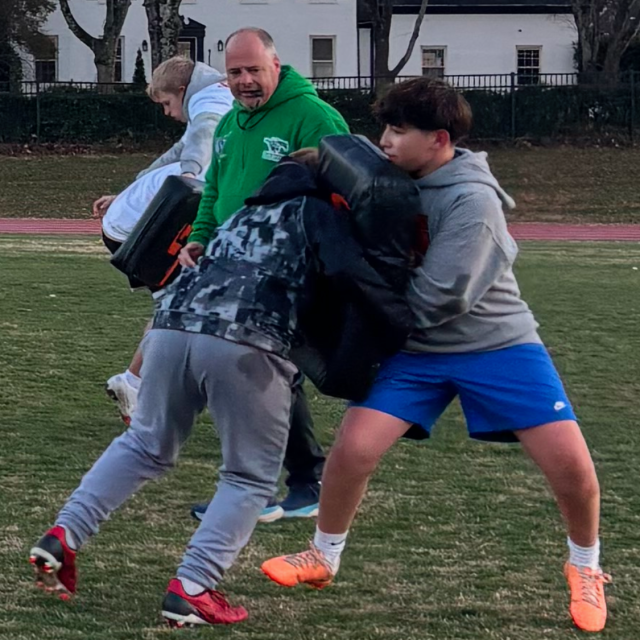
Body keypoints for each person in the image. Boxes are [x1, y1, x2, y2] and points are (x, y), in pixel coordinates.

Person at [260, 78, 610, 634]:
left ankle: (586, 568)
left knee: (571, 467)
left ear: (440, 139)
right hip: (416, 349)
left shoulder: (473, 202)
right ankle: (323, 555)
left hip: (495, 343)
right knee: (353, 448)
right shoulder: (390, 174)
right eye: (385, 128)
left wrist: (356, 319)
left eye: (400, 131)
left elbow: (440, 297)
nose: (386, 141)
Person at [28, 154, 413, 628]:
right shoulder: (317, 212)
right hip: (248, 341)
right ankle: (192, 587)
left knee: (144, 444)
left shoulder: (242, 213)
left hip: (167, 329)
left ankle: (63, 535)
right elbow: (354, 278)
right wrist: (404, 321)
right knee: (249, 477)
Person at [182, 27, 350, 523]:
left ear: (277, 65)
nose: (245, 81)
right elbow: (215, 186)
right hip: (233, 266)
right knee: (259, 375)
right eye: (235, 72)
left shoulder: (313, 116)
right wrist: (201, 235)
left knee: (259, 372)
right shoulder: (233, 122)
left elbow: (344, 191)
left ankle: (276, 485)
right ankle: (297, 483)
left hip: (287, 271)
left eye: (254, 69)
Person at [94, 56, 233, 422]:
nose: (169, 114)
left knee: (182, 304)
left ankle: (139, 382)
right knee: (181, 306)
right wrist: (187, 188)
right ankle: (139, 383)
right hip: (134, 225)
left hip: (135, 217)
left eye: (168, 104)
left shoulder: (210, 99)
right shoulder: (214, 101)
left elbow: (188, 147)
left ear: (183, 91)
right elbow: (198, 141)